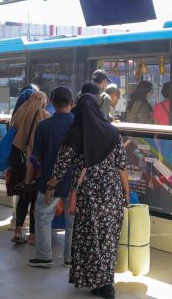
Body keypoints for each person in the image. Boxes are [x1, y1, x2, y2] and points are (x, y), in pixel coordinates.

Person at [46, 94, 129, 298]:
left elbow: (61, 166)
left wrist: (50, 186)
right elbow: (122, 166)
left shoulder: (74, 133)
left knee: (90, 236)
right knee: (108, 237)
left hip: (88, 194)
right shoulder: (112, 131)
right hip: (112, 191)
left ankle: (101, 282)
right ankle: (105, 280)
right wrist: (126, 191)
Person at [25, 87, 76, 268]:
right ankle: (70, 258)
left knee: (43, 217)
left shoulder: (44, 126)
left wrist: (32, 174)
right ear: (71, 103)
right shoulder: (78, 125)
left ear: (52, 103)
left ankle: (44, 256)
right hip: (74, 182)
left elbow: (36, 157)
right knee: (73, 220)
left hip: (49, 181)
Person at [10, 91, 50, 245]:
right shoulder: (45, 115)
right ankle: (33, 235)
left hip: (21, 163)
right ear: (43, 101)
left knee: (23, 197)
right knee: (36, 200)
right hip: (37, 164)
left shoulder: (21, 112)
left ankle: (18, 231)